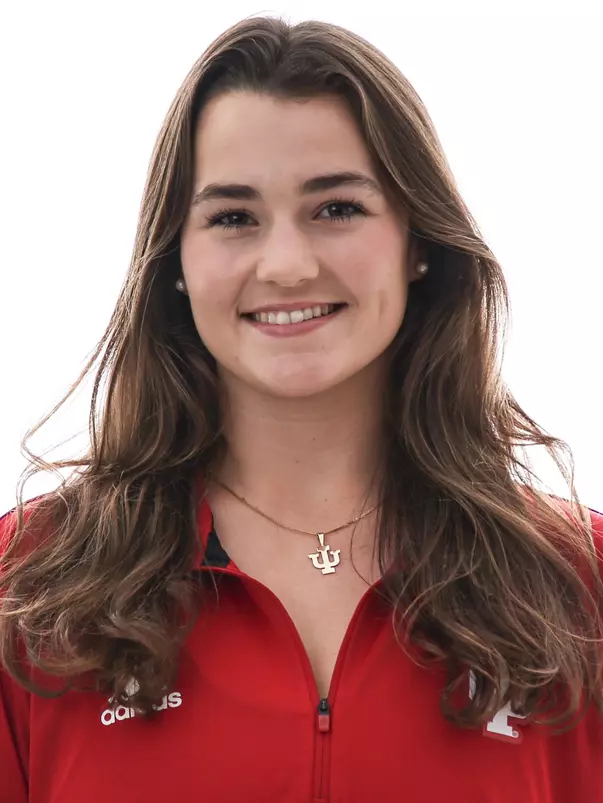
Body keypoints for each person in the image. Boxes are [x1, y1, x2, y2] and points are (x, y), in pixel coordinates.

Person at [1, 15, 602, 803]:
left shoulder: (578, 587)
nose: (286, 264)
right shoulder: (29, 587)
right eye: (232, 218)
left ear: (417, 241)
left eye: (337, 208)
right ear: (175, 261)